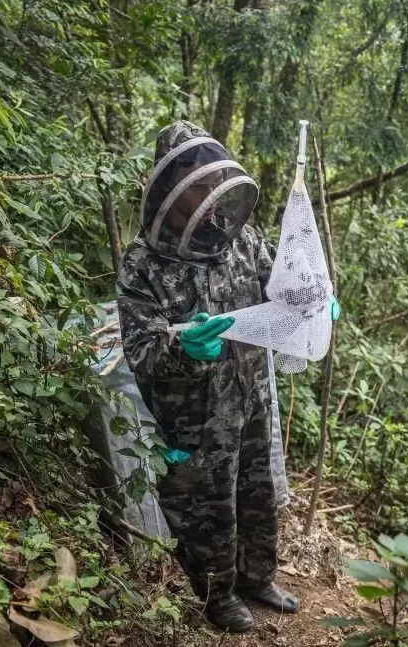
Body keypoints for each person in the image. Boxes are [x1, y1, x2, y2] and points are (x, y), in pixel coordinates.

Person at [116, 120, 338, 632]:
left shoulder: (239, 238)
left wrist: (313, 302)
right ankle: (217, 597)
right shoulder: (141, 265)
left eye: (205, 181)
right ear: (170, 188)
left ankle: (258, 578)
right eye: (191, 183)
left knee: (258, 491)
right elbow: (142, 352)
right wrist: (183, 346)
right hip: (191, 415)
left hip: (251, 394)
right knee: (206, 504)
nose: (203, 193)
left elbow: (279, 287)